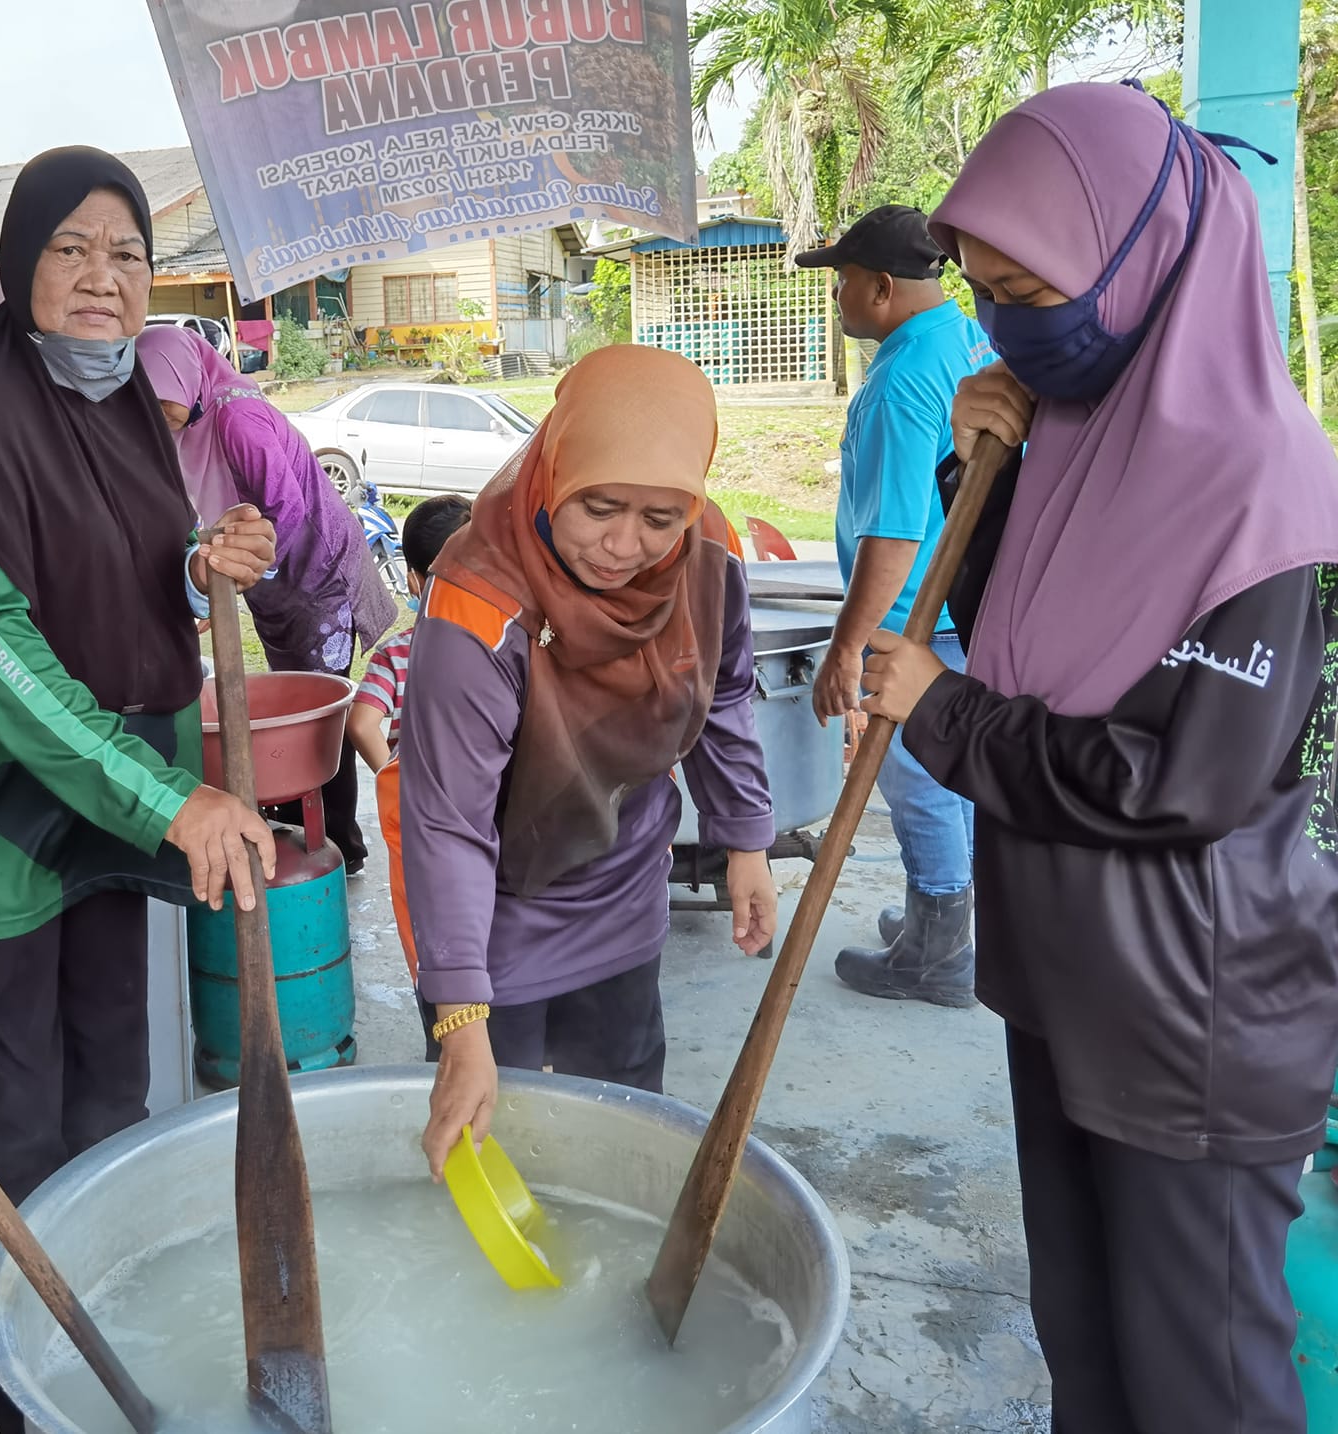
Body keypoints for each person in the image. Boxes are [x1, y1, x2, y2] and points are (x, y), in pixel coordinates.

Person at [860, 82, 1338, 1434]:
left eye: (1031, 291)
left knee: (1199, 1382)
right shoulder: (1077, 437)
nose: (1009, 324)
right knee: (1085, 1345)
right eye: (987, 293)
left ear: (1146, 260)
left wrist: (942, 713)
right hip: (1066, 981)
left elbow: (1177, 779)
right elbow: (1025, 639)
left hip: (1190, 1012)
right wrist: (981, 474)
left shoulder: (1267, 490)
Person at [0, 147, 279, 1434]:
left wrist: (202, 565)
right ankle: (24, 1403)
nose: (103, 278)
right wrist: (172, 803)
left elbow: (118, 571)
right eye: (71, 250)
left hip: (109, 809)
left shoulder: (126, 400)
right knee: (12, 1132)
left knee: (110, 1097)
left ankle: (108, 1356)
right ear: (19, 261)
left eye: (127, 254)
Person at [395, 346, 781, 1178]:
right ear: (554, 467)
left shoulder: (706, 549)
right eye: (599, 506)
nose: (622, 545)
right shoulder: (476, 600)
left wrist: (745, 838)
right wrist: (461, 1017)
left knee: (624, 1127)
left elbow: (722, 691)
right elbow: (449, 822)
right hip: (496, 910)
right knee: (490, 1141)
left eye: (659, 518)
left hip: (624, 884)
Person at [796, 204, 992, 1008]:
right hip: (966, 609)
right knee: (958, 773)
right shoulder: (966, 338)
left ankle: (937, 956)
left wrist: (848, 648)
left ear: (880, 287)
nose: (835, 296)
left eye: (842, 280)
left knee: (918, 782)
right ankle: (951, 924)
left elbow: (892, 535)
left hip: (914, 622)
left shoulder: (900, 382)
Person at [137, 324, 397, 873]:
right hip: (276, 582)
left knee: (318, 708)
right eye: (145, 405)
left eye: (162, 404)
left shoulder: (237, 418)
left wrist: (244, 572)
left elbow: (289, 508)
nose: (156, 418)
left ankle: (339, 844)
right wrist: (206, 585)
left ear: (187, 381)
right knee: (293, 699)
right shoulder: (191, 424)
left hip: (315, 575)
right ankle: (299, 828)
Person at [348, 494, 473, 776]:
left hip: (414, 798)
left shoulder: (395, 654)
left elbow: (361, 724)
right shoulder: (500, 648)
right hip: (479, 795)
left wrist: (396, 786)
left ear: (413, 581)